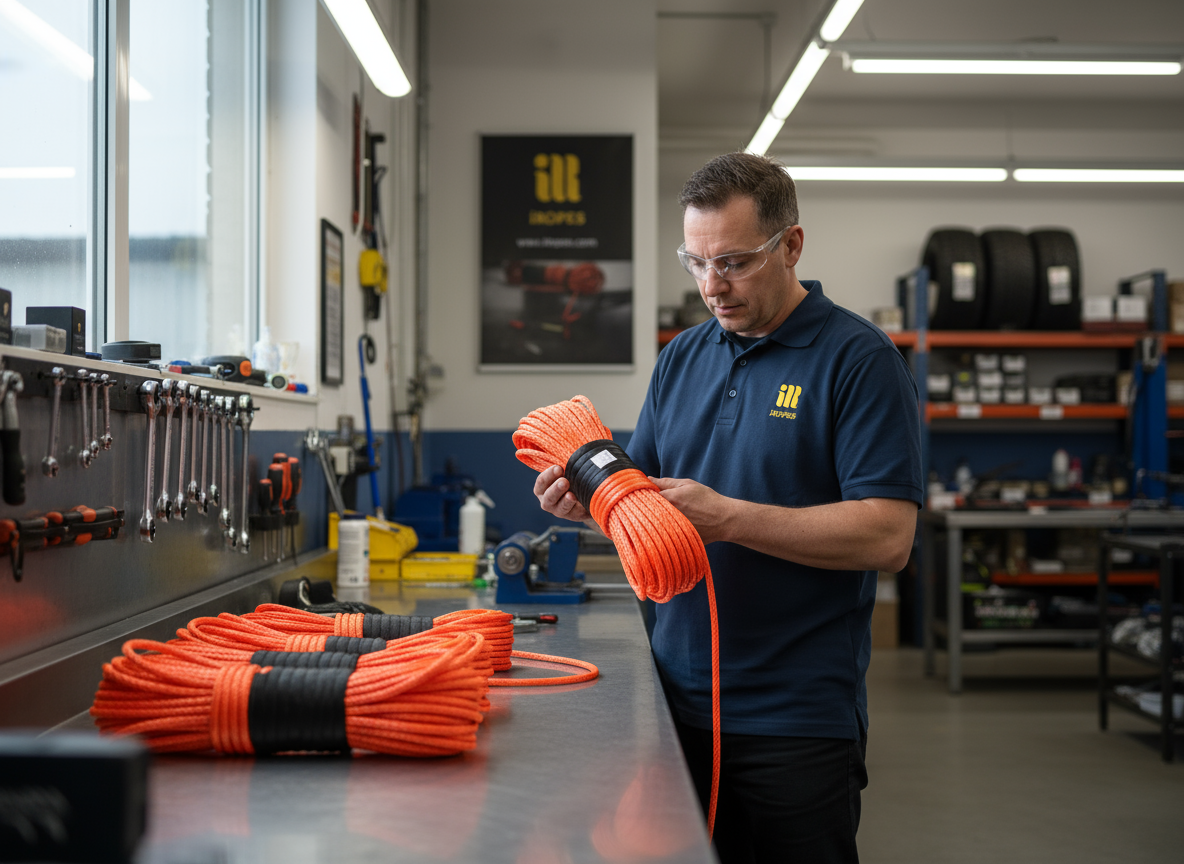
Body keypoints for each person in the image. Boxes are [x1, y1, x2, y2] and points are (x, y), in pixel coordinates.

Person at [532, 152, 923, 863]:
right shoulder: (682, 356)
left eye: (736, 262)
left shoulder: (859, 360)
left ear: (792, 246)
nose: (713, 286)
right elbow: (647, 497)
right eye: (697, 262)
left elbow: (889, 536)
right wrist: (591, 506)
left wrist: (731, 518)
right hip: (672, 704)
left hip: (795, 723)